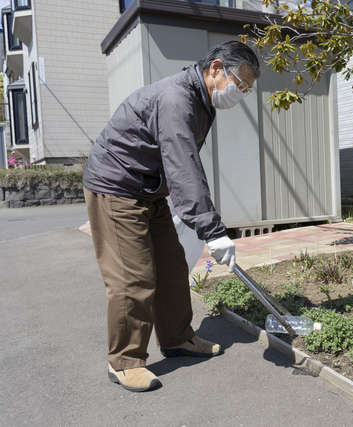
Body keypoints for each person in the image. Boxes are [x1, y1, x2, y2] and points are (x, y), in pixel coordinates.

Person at [82, 41, 259, 392]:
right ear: (216, 68)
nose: (239, 94)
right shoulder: (178, 99)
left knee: (172, 268)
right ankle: (125, 360)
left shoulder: (201, 101)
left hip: (148, 188)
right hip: (117, 186)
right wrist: (213, 230)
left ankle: (178, 338)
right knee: (134, 278)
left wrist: (199, 217)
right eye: (239, 84)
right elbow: (183, 167)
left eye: (246, 90)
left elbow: (184, 165)